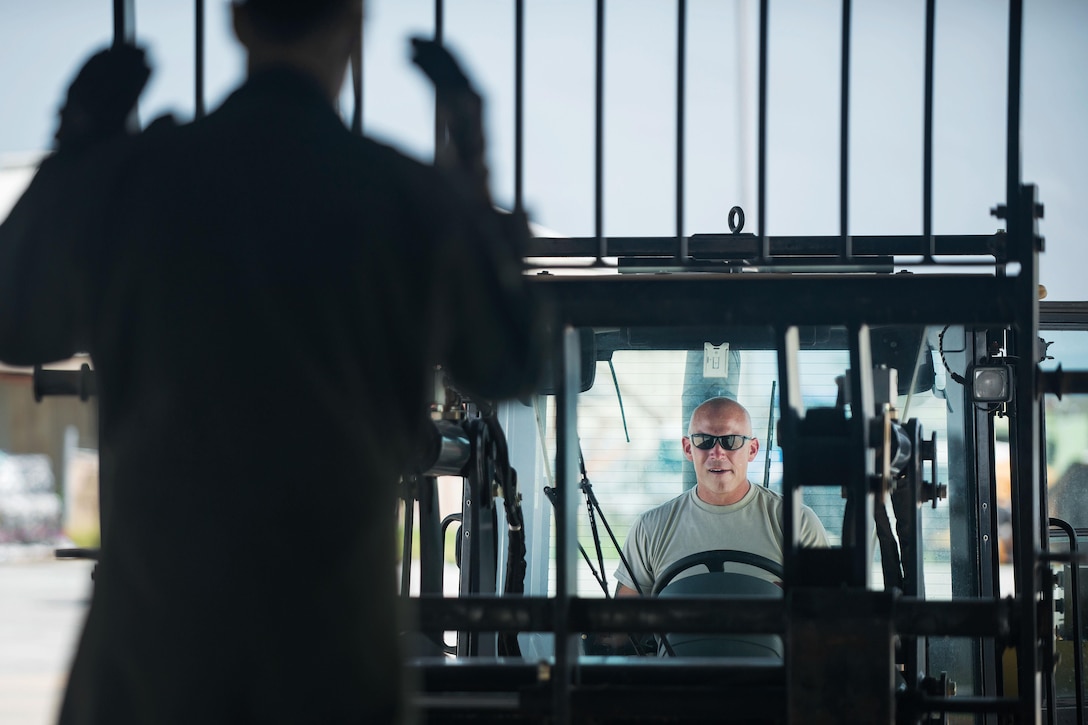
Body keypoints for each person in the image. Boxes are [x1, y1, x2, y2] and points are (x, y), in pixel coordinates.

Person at [0, 1, 541, 723]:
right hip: (331, 657)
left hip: (153, 654)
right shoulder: (404, 198)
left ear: (235, 22)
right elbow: (510, 363)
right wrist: (472, 182)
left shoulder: (138, 181)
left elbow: (13, 326)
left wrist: (75, 150)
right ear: (353, 25)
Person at [614, 397, 829, 597]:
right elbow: (622, 630)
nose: (717, 453)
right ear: (688, 449)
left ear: (752, 450)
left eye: (731, 441)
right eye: (704, 440)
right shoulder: (650, 528)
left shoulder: (797, 523)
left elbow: (826, 615)